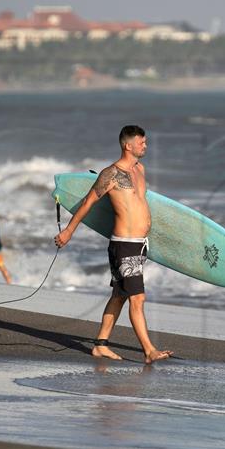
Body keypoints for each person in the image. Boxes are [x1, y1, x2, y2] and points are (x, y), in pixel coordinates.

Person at [54, 125, 173, 364]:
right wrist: (68, 230)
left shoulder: (140, 169)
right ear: (127, 145)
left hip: (139, 244)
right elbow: (88, 203)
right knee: (137, 298)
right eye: (142, 142)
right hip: (124, 245)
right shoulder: (110, 174)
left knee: (119, 295)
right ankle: (149, 350)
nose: (145, 146)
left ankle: (100, 345)